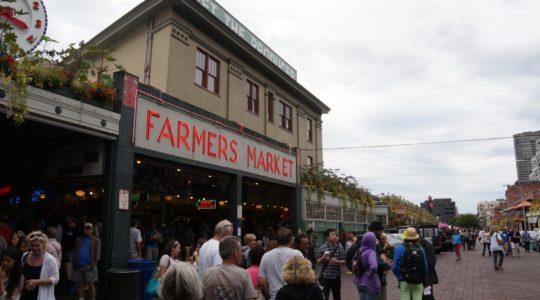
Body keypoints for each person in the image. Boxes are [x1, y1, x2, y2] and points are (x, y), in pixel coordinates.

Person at [259, 227, 303, 300]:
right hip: (293, 297)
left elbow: (262, 281)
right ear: (291, 240)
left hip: (274, 296)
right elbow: (303, 276)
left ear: (277, 240)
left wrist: (268, 294)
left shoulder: (266, 256)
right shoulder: (297, 254)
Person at [20, 231, 59, 300]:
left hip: (42, 296)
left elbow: (55, 279)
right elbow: (22, 273)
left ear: (43, 245)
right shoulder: (25, 256)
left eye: (38, 246)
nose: (35, 248)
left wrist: (37, 282)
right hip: (25, 295)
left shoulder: (50, 259)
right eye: (32, 246)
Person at [392, 227, 428, 300]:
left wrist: (399, 277)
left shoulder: (399, 248)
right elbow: (426, 268)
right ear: (416, 237)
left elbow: (395, 267)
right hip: (418, 280)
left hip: (404, 279)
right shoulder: (421, 249)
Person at [72, 222, 100, 300]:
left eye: (89, 228)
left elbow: (97, 253)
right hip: (78, 265)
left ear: (92, 229)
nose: (87, 229)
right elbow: (75, 251)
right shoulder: (78, 239)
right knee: (79, 284)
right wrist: (74, 260)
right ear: (83, 229)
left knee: (91, 284)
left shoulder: (96, 240)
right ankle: (81, 298)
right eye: (86, 228)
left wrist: (94, 263)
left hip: (90, 265)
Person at [317, 228, 345, 300]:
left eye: (335, 234)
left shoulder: (340, 248)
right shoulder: (322, 248)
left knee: (337, 296)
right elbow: (318, 262)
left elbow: (345, 261)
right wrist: (323, 257)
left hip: (336, 276)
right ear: (327, 237)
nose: (335, 236)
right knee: (324, 296)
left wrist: (337, 262)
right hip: (325, 276)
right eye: (332, 235)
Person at [353, 232, 380, 300]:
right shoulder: (370, 252)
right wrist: (370, 274)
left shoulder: (360, 250)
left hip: (359, 282)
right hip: (369, 284)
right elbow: (374, 266)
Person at [419, 234, 438, 300]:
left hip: (426, 276)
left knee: (427, 295)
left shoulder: (426, 245)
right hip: (422, 276)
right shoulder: (417, 245)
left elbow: (432, 261)